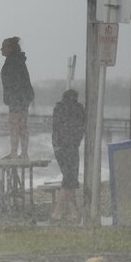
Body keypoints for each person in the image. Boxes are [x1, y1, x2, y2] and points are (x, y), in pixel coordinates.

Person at [51, 88, 86, 222]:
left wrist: (57, 144)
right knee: (70, 178)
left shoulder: (59, 108)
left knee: (69, 177)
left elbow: (56, 128)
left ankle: (73, 211)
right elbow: (82, 125)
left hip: (59, 148)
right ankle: (58, 211)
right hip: (71, 147)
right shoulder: (78, 109)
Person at [0, 36, 34, 159]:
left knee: (16, 125)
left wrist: (12, 98)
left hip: (18, 98)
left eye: (3, 46)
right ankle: (22, 153)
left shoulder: (13, 62)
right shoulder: (16, 60)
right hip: (21, 98)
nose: (1, 49)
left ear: (10, 48)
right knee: (21, 125)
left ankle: (16, 153)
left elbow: (15, 82)